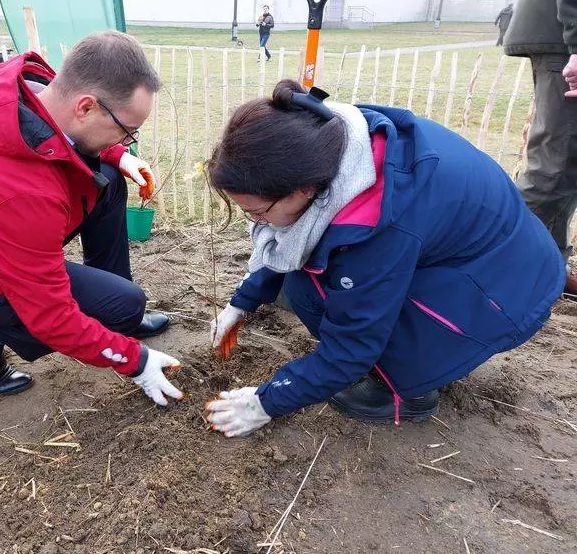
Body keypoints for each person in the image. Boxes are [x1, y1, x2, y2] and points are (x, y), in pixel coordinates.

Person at [203, 79, 564, 437]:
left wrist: (265, 402)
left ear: (303, 189)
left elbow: (352, 346)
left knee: (322, 292)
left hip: (506, 291)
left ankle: (407, 391)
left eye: (257, 211)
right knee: (307, 282)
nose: (257, 224)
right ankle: (427, 353)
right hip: (473, 258)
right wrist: (243, 300)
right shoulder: (332, 145)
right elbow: (292, 242)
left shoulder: (378, 221)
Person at [0, 31, 183, 407]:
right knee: (123, 307)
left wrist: (117, 155)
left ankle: (113, 305)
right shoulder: (17, 191)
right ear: (86, 107)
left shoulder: (35, 92)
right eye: (126, 131)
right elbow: (50, 316)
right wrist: (133, 360)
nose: (129, 138)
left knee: (108, 185)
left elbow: (61, 141)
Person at [503, 0, 577, 296]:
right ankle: (500, 273)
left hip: (562, 38)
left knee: (566, 169)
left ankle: (550, 267)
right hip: (564, 41)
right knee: (553, 168)